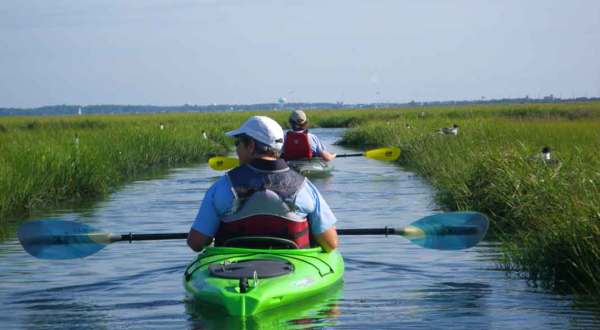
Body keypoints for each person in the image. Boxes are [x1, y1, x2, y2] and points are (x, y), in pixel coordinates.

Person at [187, 116, 339, 252]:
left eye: (238, 143)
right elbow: (330, 243)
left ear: (251, 145)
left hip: (230, 270)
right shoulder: (304, 186)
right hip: (293, 268)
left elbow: (196, 243)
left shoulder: (223, 186)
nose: (237, 149)